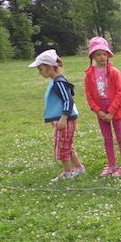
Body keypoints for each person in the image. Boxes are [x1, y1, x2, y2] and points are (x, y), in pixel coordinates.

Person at [29, 49, 85, 181]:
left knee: (62, 147)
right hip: (61, 120)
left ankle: (67, 173)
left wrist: (64, 118)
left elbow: (68, 100)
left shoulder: (59, 83)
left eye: (41, 69)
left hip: (65, 121)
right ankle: (79, 168)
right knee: (66, 145)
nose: (39, 72)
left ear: (49, 67)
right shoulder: (55, 82)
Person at [84, 36, 121, 177]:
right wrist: (98, 111)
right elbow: (89, 95)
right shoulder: (89, 74)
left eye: (104, 54)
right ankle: (112, 165)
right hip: (101, 110)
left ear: (108, 55)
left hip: (116, 109)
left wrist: (111, 111)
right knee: (107, 138)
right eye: (98, 54)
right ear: (93, 56)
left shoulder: (114, 72)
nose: (102, 57)